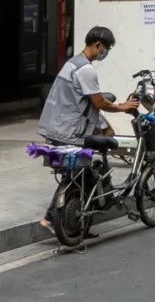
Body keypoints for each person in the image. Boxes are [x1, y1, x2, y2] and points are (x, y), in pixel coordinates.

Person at [36, 25, 139, 229]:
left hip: (56, 127)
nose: (105, 53)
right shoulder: (86, 69)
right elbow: (99, 102)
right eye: (106, 48)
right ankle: (52, 218)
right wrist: (122, 107)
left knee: (79, 173)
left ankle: (67, 219)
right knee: (82, 170)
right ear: (98, 45)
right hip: (69, 131)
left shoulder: (72, 63)